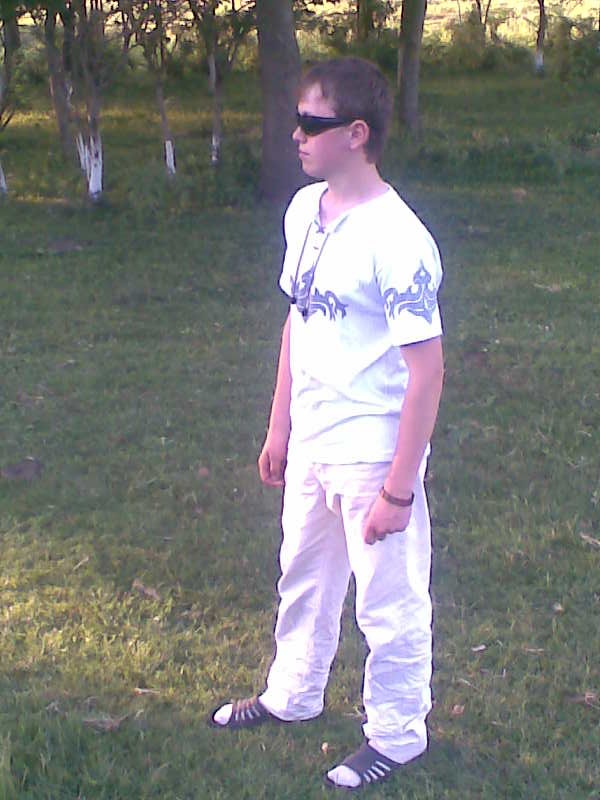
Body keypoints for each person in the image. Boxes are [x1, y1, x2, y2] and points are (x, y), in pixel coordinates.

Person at [211, 57, 444, 791]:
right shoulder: (303, 210)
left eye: (312, 124)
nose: (297, 135)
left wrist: (398, 490)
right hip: (312, 440)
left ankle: (398, 734)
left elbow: (427, 371)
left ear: (357, 133)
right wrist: (279, 427)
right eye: (298, 121)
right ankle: (294, 693)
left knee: (388, 602)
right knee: (303, 574)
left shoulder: (398, 238)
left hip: (372, 450)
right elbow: (298, 321)